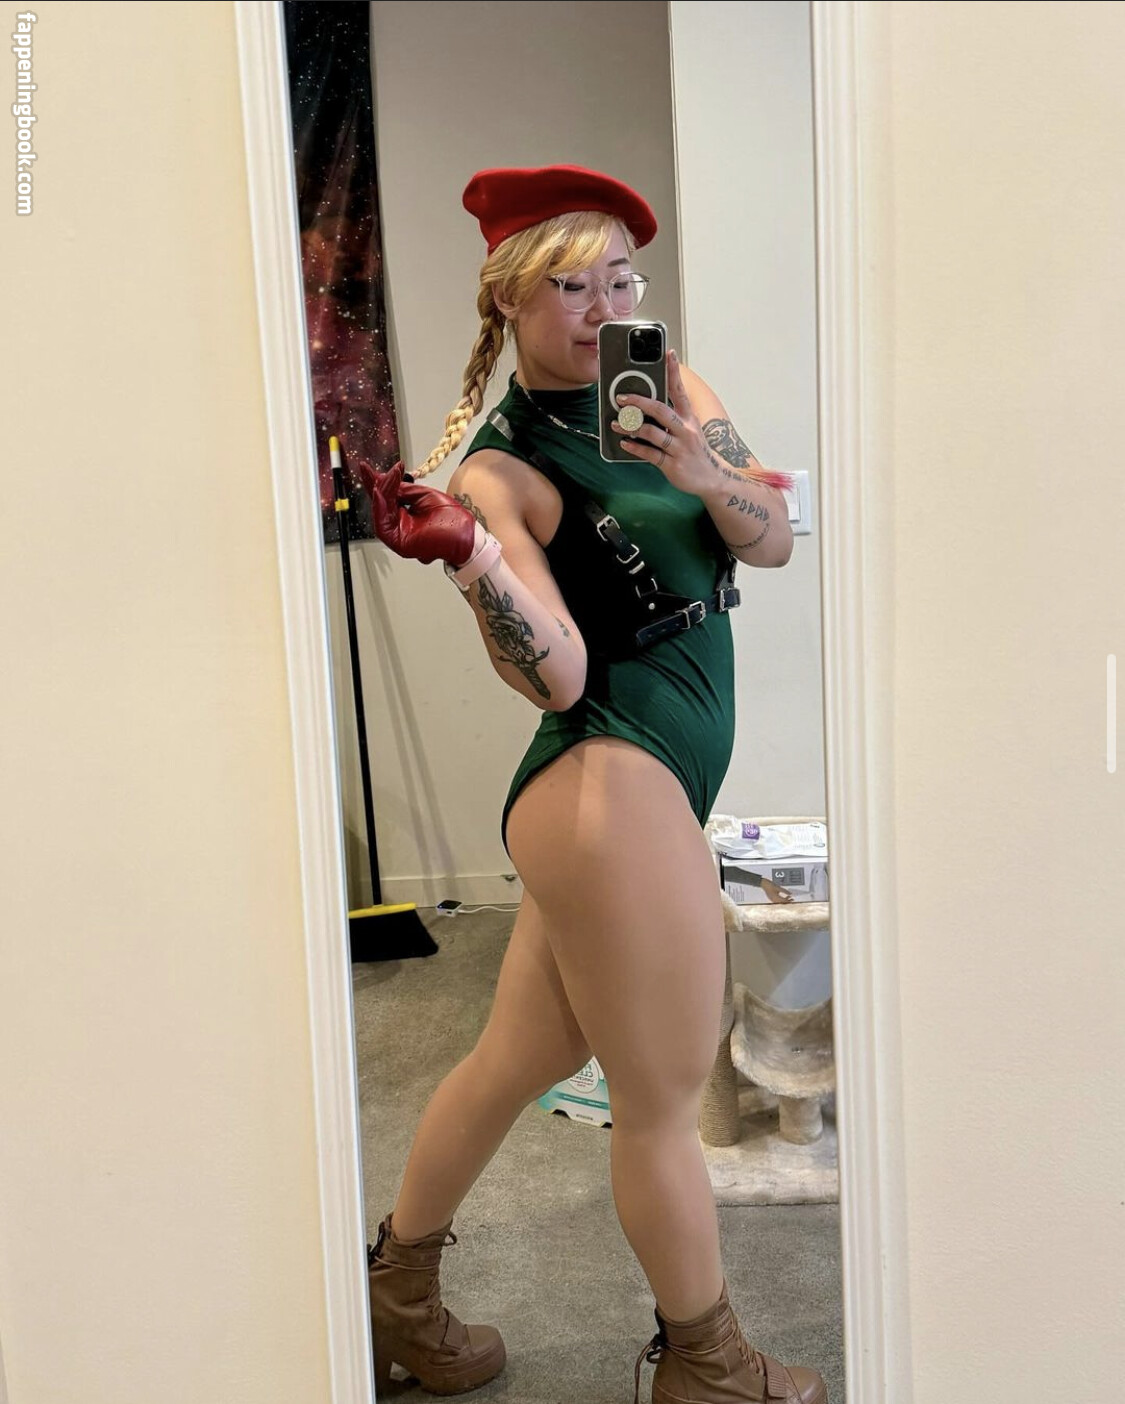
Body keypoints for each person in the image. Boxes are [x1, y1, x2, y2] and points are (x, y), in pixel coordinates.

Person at [358, 165, 825, 1404]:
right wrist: (472, 560)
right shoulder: (499, 472)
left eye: (619, 279)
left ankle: (397, 1291)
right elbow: (557, 675)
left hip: (634, 788)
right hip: (609, 780)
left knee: (517, 1056)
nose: (603, 306)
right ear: (509, 299)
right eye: (570, 286)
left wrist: (704, 475)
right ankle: (707, 1363)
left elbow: (774, 537)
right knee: (661, 1101)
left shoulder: (674, 391)